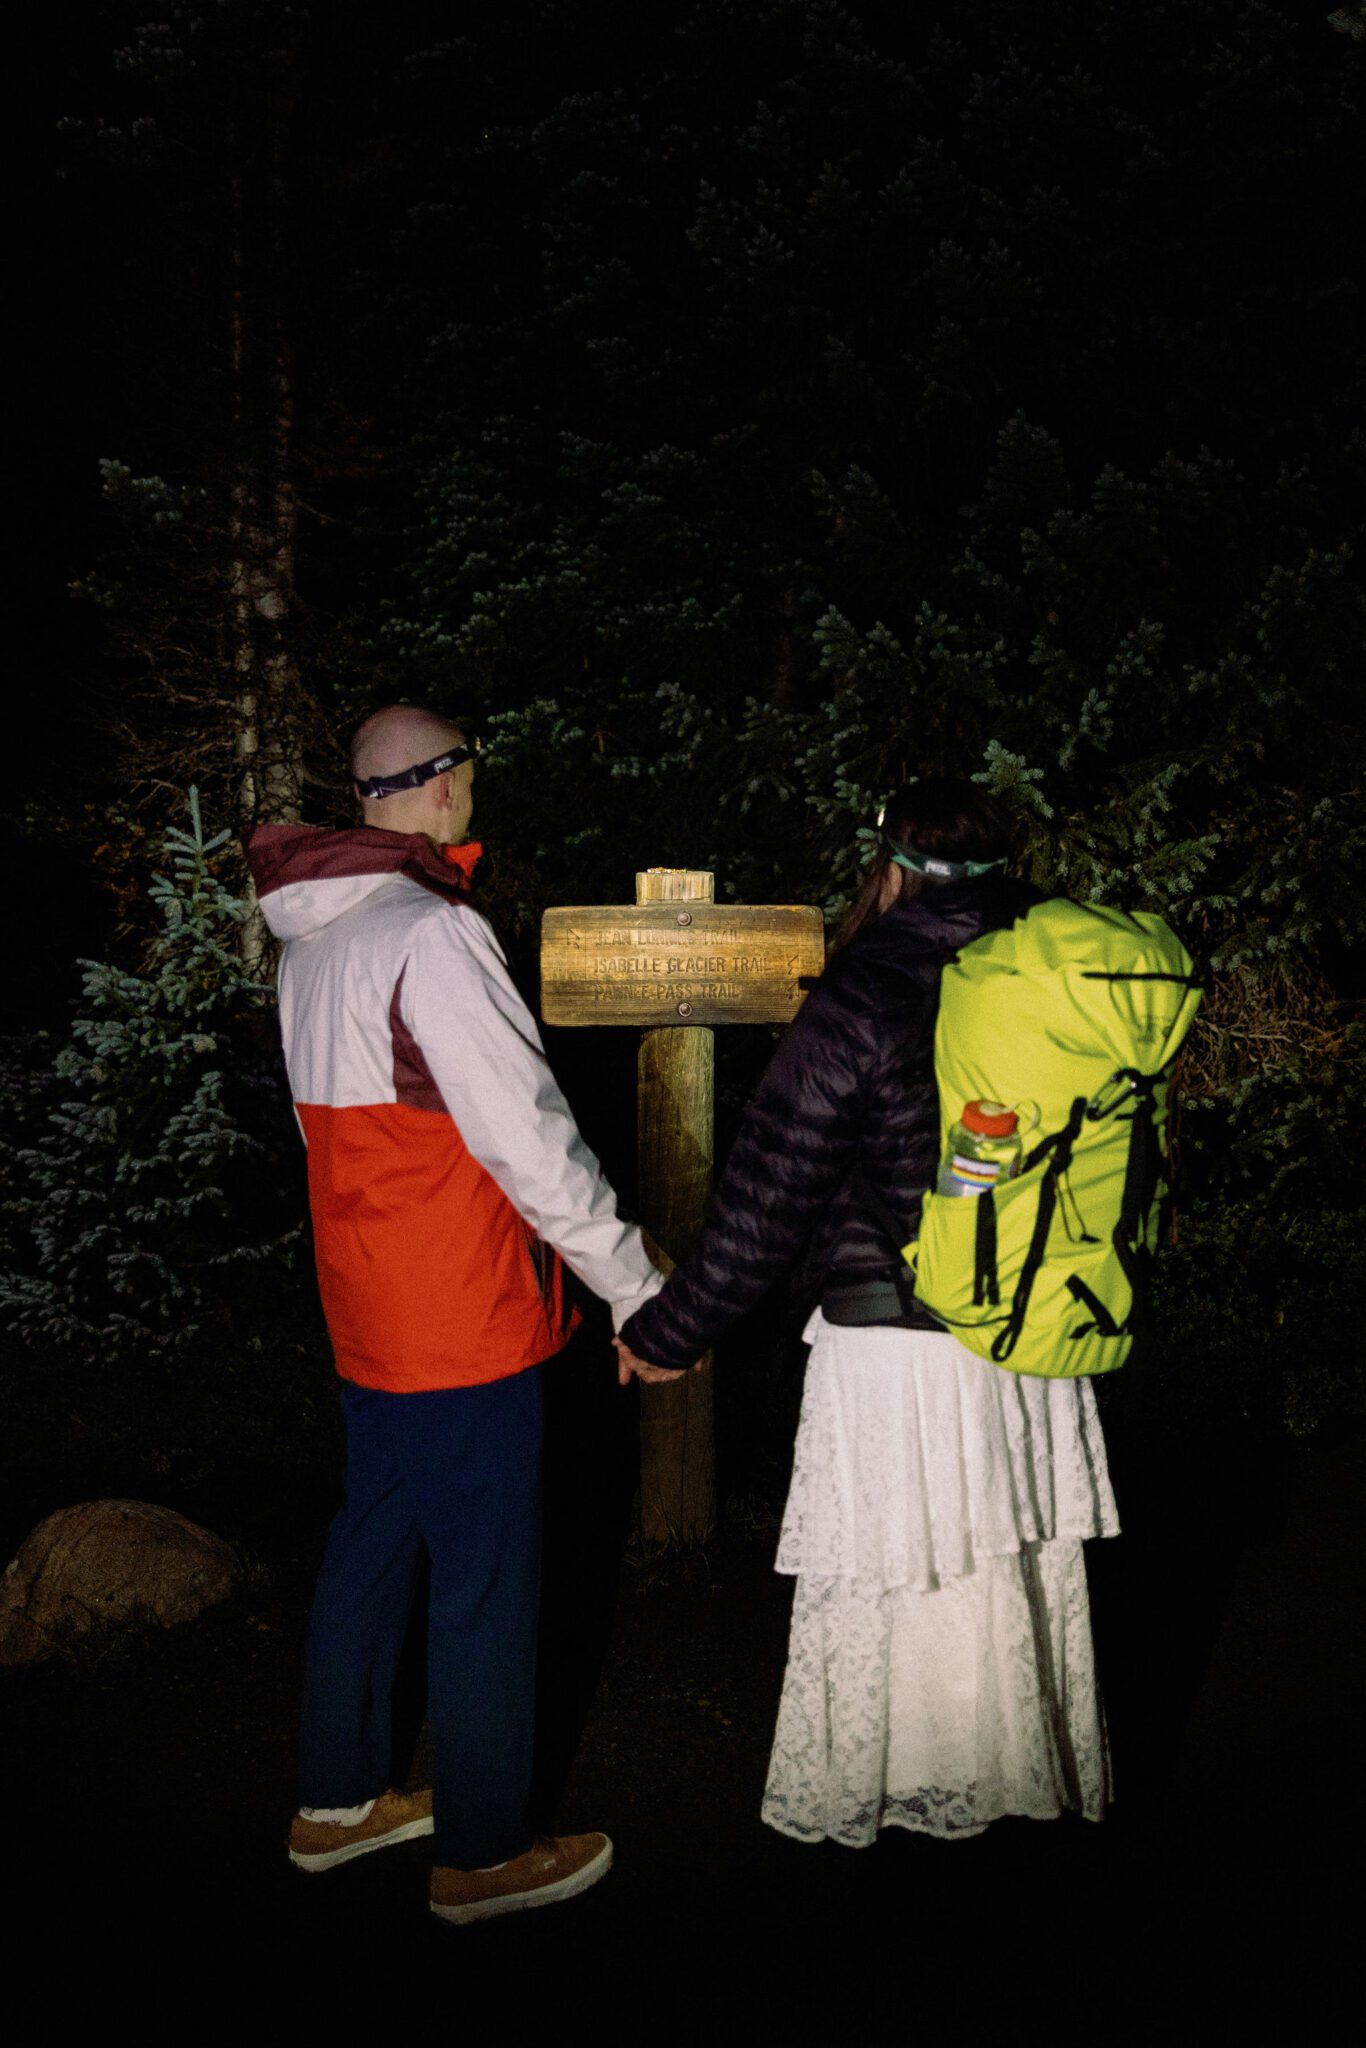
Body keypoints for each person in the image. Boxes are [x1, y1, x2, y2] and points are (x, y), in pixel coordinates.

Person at [614, 779, 1119, 1845]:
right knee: (1000, 1578)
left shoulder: (867, 990)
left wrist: (667, 1331)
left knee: (906, 1578)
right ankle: (1014, 1794)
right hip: (1029, 1337)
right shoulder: (1057, 976)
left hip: (898, 1346)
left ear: (888, 865)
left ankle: (909, 1821)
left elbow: (769, 1188)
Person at [245, 705, 661, 1925]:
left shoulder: (314, 939)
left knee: (370, 1543)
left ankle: (334, 1802)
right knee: (485, 1576)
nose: (471, 792)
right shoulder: (432, 932)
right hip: (461, 1318)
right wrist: (634, 1281)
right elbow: (525, 1135)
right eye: (465, 774)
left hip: (367, 1310)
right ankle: (481, 1848)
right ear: (435, 787)